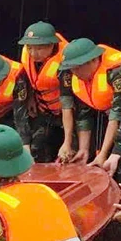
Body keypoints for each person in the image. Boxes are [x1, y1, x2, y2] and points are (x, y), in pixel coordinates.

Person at [56, 39, 121, 176]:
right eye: (72, 68)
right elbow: (83, 113)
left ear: (94, 60)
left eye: (78, 67)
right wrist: (83, 149)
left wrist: (103, 154)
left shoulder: (116, 72)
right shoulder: (76, 77)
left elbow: (117, 114)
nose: (74, 72)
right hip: (104, 117)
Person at [18, 22, 72, 162]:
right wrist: (30, 97)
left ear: (51, 45)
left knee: (69, 154)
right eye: (30, 48)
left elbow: (67, 101)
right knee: (37, 150)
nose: (33, 53)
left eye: (39, 48)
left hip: (69, 111)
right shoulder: (28, 53)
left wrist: (67, 141)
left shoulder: (66, 61)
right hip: (43, 110)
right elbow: (27, 77)